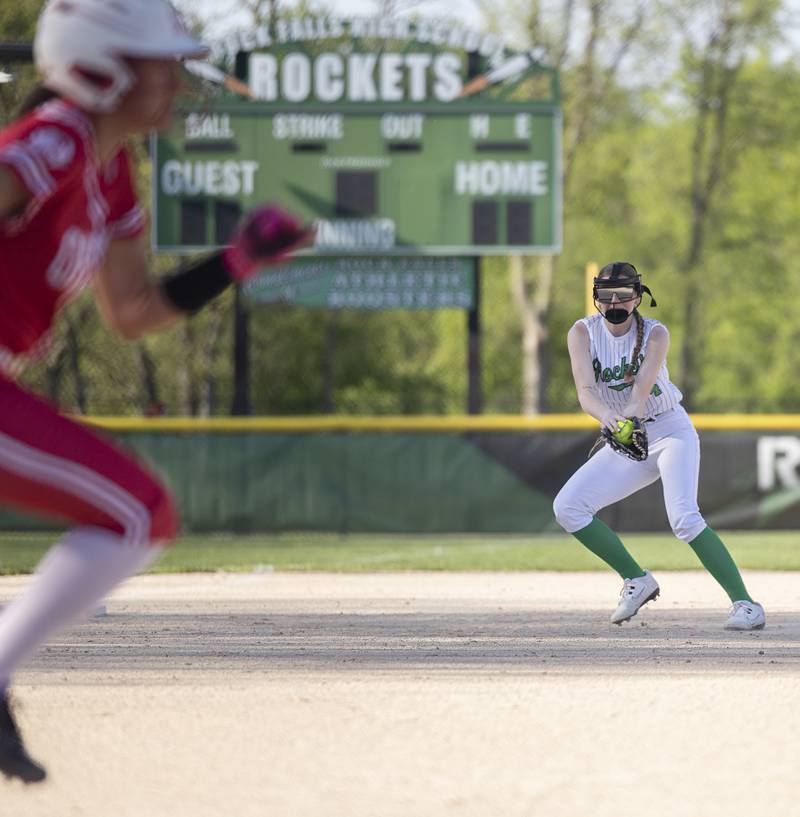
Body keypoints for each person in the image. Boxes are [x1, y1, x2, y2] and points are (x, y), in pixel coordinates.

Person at [0, 0, 311, 783]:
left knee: (138, 512)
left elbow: (134, 310)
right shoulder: (59, 137)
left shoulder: (107, 169)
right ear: (101, 68)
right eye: (158, 61)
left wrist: (236, 261)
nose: (174, 78)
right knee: (137, 509)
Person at [552, 261, 765, 631]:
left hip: (669, 431)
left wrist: (625, 418)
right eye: (606, 295)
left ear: (638, 296)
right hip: (623, 436)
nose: (614, 302)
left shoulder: (655, 333)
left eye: (623, 294)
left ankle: (747, 605)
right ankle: (637, 579)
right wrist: (607, 417)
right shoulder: (582, 332)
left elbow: (640, 394)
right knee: (568, 507)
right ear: (596, 296)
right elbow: (585, 392)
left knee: (684, 518)